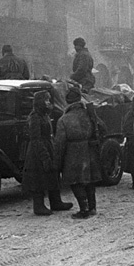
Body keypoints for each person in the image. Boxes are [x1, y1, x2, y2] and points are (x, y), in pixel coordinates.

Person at [54, 85, 102, 219]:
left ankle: (84, 209)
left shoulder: (64, 119)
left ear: (67, 101)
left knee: (75, 181)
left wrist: (57, 161)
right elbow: (101, 128)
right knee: (89, 180)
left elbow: (59, 142)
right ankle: (92, 207)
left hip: (73, 152)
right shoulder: (89, 114)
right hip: (90, 150)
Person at [23, 91, 72, 216]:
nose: (49, 103)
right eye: (46, 100)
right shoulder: (35, 117)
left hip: (47, 147)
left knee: (52, 175)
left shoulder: (44, 115)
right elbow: (36, 139)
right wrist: (44, 156)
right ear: (40, 102)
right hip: (37, 153)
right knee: (38, 178)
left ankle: (56, 202)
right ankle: (38, 206)